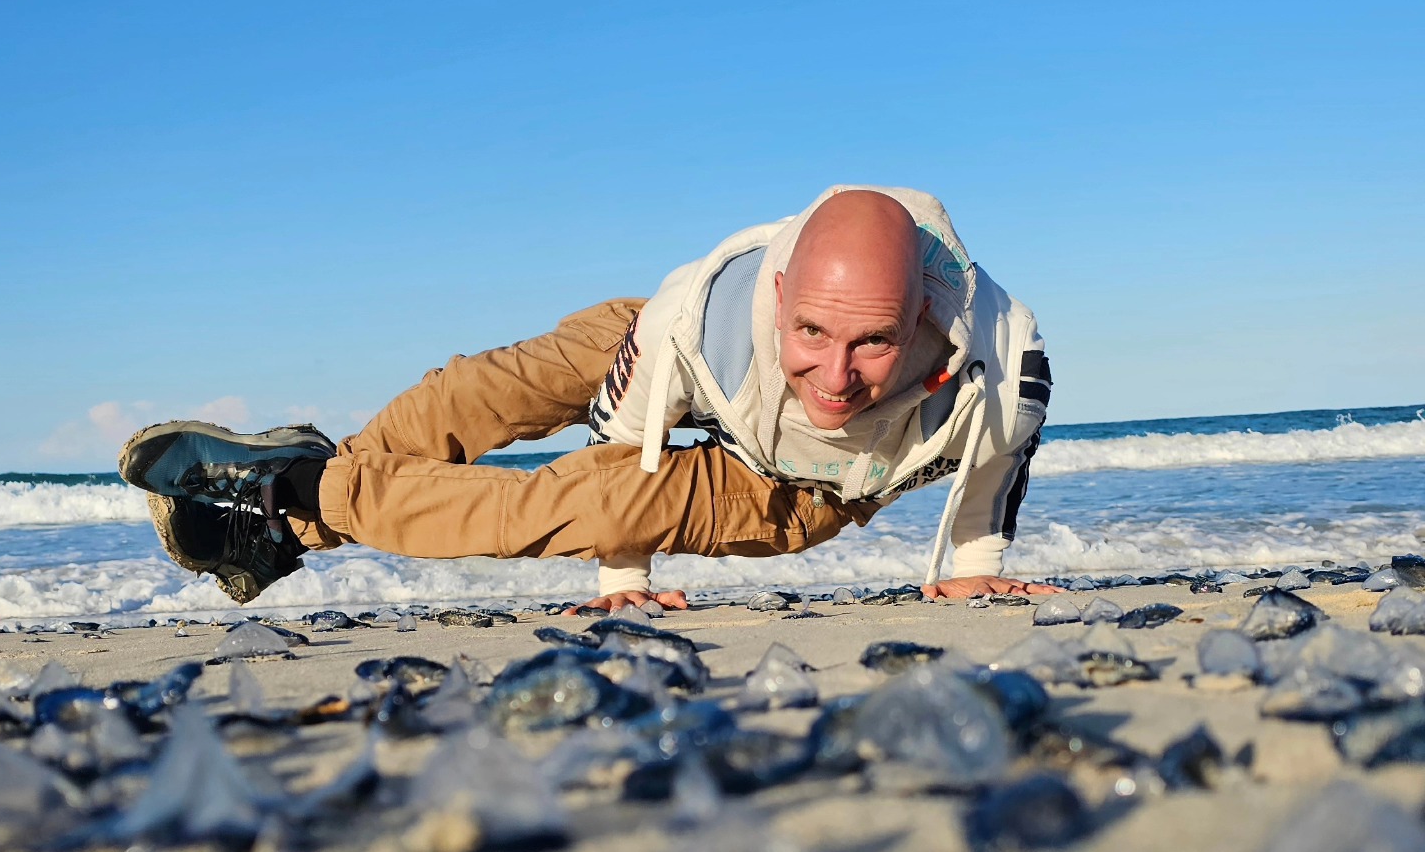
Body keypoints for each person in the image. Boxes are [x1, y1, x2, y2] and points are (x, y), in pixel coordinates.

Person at [118, 186, 1058, 612]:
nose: (838, 376)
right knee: (485, 390)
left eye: (873, 342)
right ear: (780, 297)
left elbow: (1004, 452)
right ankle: (295, 515)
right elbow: (618, 448)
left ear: (919, 315)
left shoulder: (1003, 360)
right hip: (675, 367)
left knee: (562, 504)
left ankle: (288, 497)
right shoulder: (702, 314)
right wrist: (625, 580)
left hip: (800, 484)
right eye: (813, 332)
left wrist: (976, 561)